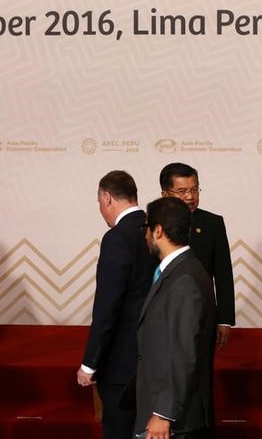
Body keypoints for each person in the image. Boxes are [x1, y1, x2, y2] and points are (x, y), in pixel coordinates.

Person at [76, 171, 157, 439]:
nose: (101, 211)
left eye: (100, 203)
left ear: (107, 197)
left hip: (122, 364)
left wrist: (90, 363)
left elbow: (107, 308)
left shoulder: (117, 238)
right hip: (155, 357)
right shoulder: (156, 229)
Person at [135, 197, 217, 439]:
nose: (146, 235)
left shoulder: (184, 280)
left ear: (158, 230)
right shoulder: (182, 269)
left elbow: (183, 351)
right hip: (165, 405)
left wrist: (163, 413)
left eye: (146, 228)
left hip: (174, 420)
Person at [159, 163, 235, 348]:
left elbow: (223, 274)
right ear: (165, 194)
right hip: (161, 316)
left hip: (201, 316)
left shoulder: (213, 223)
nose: (190, 197)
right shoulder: (151, 225)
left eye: (194, 189)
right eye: (182, 191)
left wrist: (224, 320)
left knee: (200, 372)